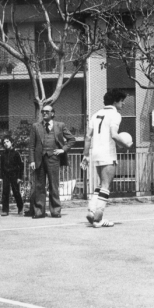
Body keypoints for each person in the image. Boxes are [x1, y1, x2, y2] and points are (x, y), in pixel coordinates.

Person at [81, 89, 133, 228]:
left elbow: (87, 137)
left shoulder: (96, 114)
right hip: (108, 153)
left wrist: (85, 155)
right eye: (122, 101)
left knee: (101, 183)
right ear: (115, 101)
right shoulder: (115, 115)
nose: (123, 104)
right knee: (106, 185)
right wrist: (126, 145)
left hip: (96, 153)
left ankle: (92, 211)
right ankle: (98, 218)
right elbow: (114, 135)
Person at [29, 105, 75, 219]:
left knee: (54, 186)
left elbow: (72, 139)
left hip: (53, 159)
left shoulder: (60, 125)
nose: (44, 113)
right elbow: (31, 146)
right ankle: (39, 212)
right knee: (39, 186)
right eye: (43, 111)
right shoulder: (36, 126)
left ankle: (55, 211)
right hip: (39, 159)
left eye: (47, 111)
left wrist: (62, 149)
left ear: (52, 113)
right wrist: (32, 160)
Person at [0, 135, 24, 216]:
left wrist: (20, 177)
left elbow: (21, 166)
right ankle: (5, 210)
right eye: (4, 142)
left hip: (14, 175)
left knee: (16, 191)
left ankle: (20, 207)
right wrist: (0, 177)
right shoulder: (2, 155)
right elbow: (1, 167)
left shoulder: (16, 153)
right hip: (6, 175)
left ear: (11, 142)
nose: (6, 144)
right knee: (5, 192)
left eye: (7, 141)